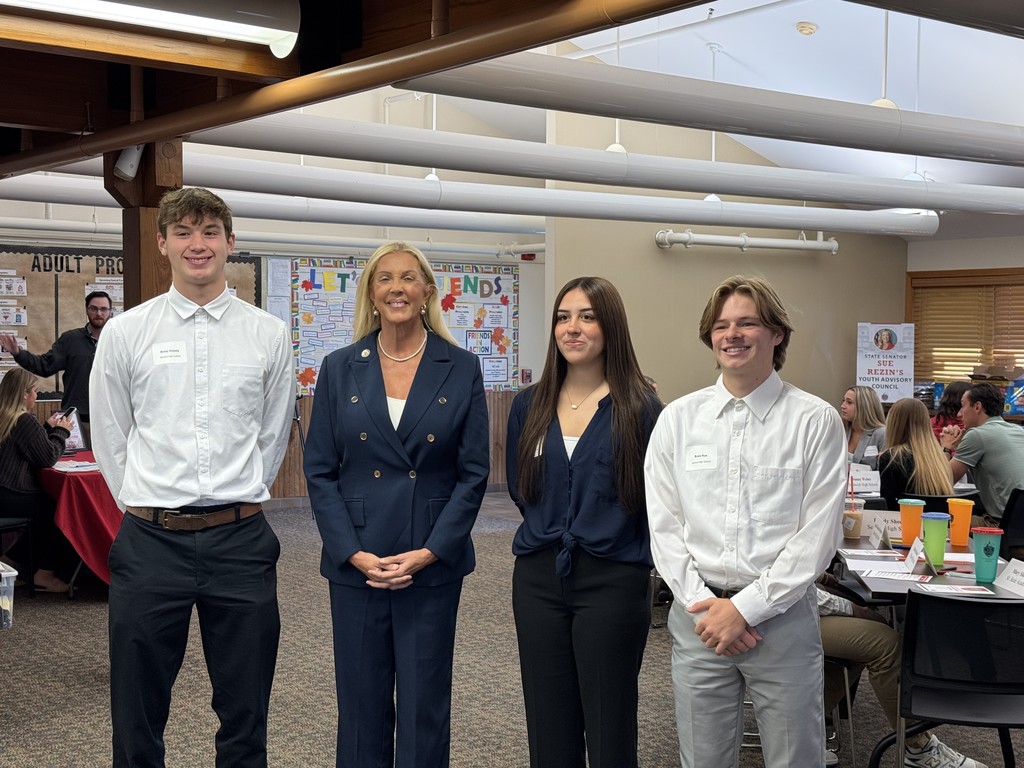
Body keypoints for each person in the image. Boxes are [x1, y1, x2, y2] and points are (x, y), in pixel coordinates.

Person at [90, 187, 294, 768]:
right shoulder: (127, 332)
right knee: (136, 708)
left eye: (210, 232)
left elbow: (271, 435)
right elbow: (110, 434)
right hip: (151, 542)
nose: (197, 244)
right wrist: (151, 502)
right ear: (163, 244)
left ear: (230, 243)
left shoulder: (267, 333)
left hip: (241, 541)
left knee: (245, 707)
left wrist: (234, 495)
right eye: (183, 233)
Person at [644, 274, 847, 768]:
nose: (731, 335)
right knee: (703, 758)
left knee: (796, 758)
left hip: (781, 619)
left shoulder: (814, 420)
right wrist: (705, 606)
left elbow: (817, 537)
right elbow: (664, 525)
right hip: (699, 619)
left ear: (777, 334)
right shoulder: (678, 419)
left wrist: (746, 610)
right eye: (721, 326)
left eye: (747, 323)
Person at [303, 241, 489, 768]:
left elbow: (473, 473)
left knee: (424, 703)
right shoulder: (340, 367)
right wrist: (351, 552)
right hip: (358, 560)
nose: (397, 288)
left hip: (428, 559)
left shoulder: (461, 366)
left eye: (409, 278)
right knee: (360, 705)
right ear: (372, 292)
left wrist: (432, 551)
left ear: (427, 293)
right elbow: (320, 469)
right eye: (385, 278)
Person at [506, 276, 662, 768]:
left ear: (610, 325)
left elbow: (654, 498)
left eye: (587, 317)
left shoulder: (640, 406)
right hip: (537, 578)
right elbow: (520, 487)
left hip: (612, 579)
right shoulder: (528, 405)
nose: (572, 328)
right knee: (548, 724)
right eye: (563, 317)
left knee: (609, 723)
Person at [817, 578, 988, 768]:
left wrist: (825, 577)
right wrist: (848, 607)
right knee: (885, 646)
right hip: (789, 616)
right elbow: (794, 588)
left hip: (798, 604)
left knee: (876, 623)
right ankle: (919, 748)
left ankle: (805, 725)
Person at [0, 290, 112, 447]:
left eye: (103, 309)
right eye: (94, 308)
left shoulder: (118, 341)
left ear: (111, 312)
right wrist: (18, 353)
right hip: (77, 422)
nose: (99, 313)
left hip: (111, 420)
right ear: (87, 310)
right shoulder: (70, 340)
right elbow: (45, 366)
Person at [0, 368, 76, 593]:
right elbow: (48, 457)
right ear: (24, 394)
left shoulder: (6, 415)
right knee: (60, 509)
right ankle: (45, 573)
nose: (36, 396)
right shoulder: (24, 420)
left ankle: (10, 560)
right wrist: (61, 432)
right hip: (12, 493)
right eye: (35, 392)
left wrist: (46, 429)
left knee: (45, 510)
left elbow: (26, 447)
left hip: (3, 492)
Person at [939, 382, 1024, 523]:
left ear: (977, 407)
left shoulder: (976, 435)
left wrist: (947, 447)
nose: (959, 413)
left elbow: (941, 482)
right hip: (1018, 525)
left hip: (1002, 525)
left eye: (963, 405)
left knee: (941, 521)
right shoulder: (1018, 430)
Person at [877, 398, 954, 510]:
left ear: (894, 424)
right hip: (938, 524)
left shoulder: (892, 458)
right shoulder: (938, 458)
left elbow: (887, 505)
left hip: (904, 522)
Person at [839, 385, 886, 469]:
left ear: (864, 406)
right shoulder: (841, 430)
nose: (843, 406)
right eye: (843, 401)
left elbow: (885, 472)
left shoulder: (881, 434)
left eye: (849, 402)